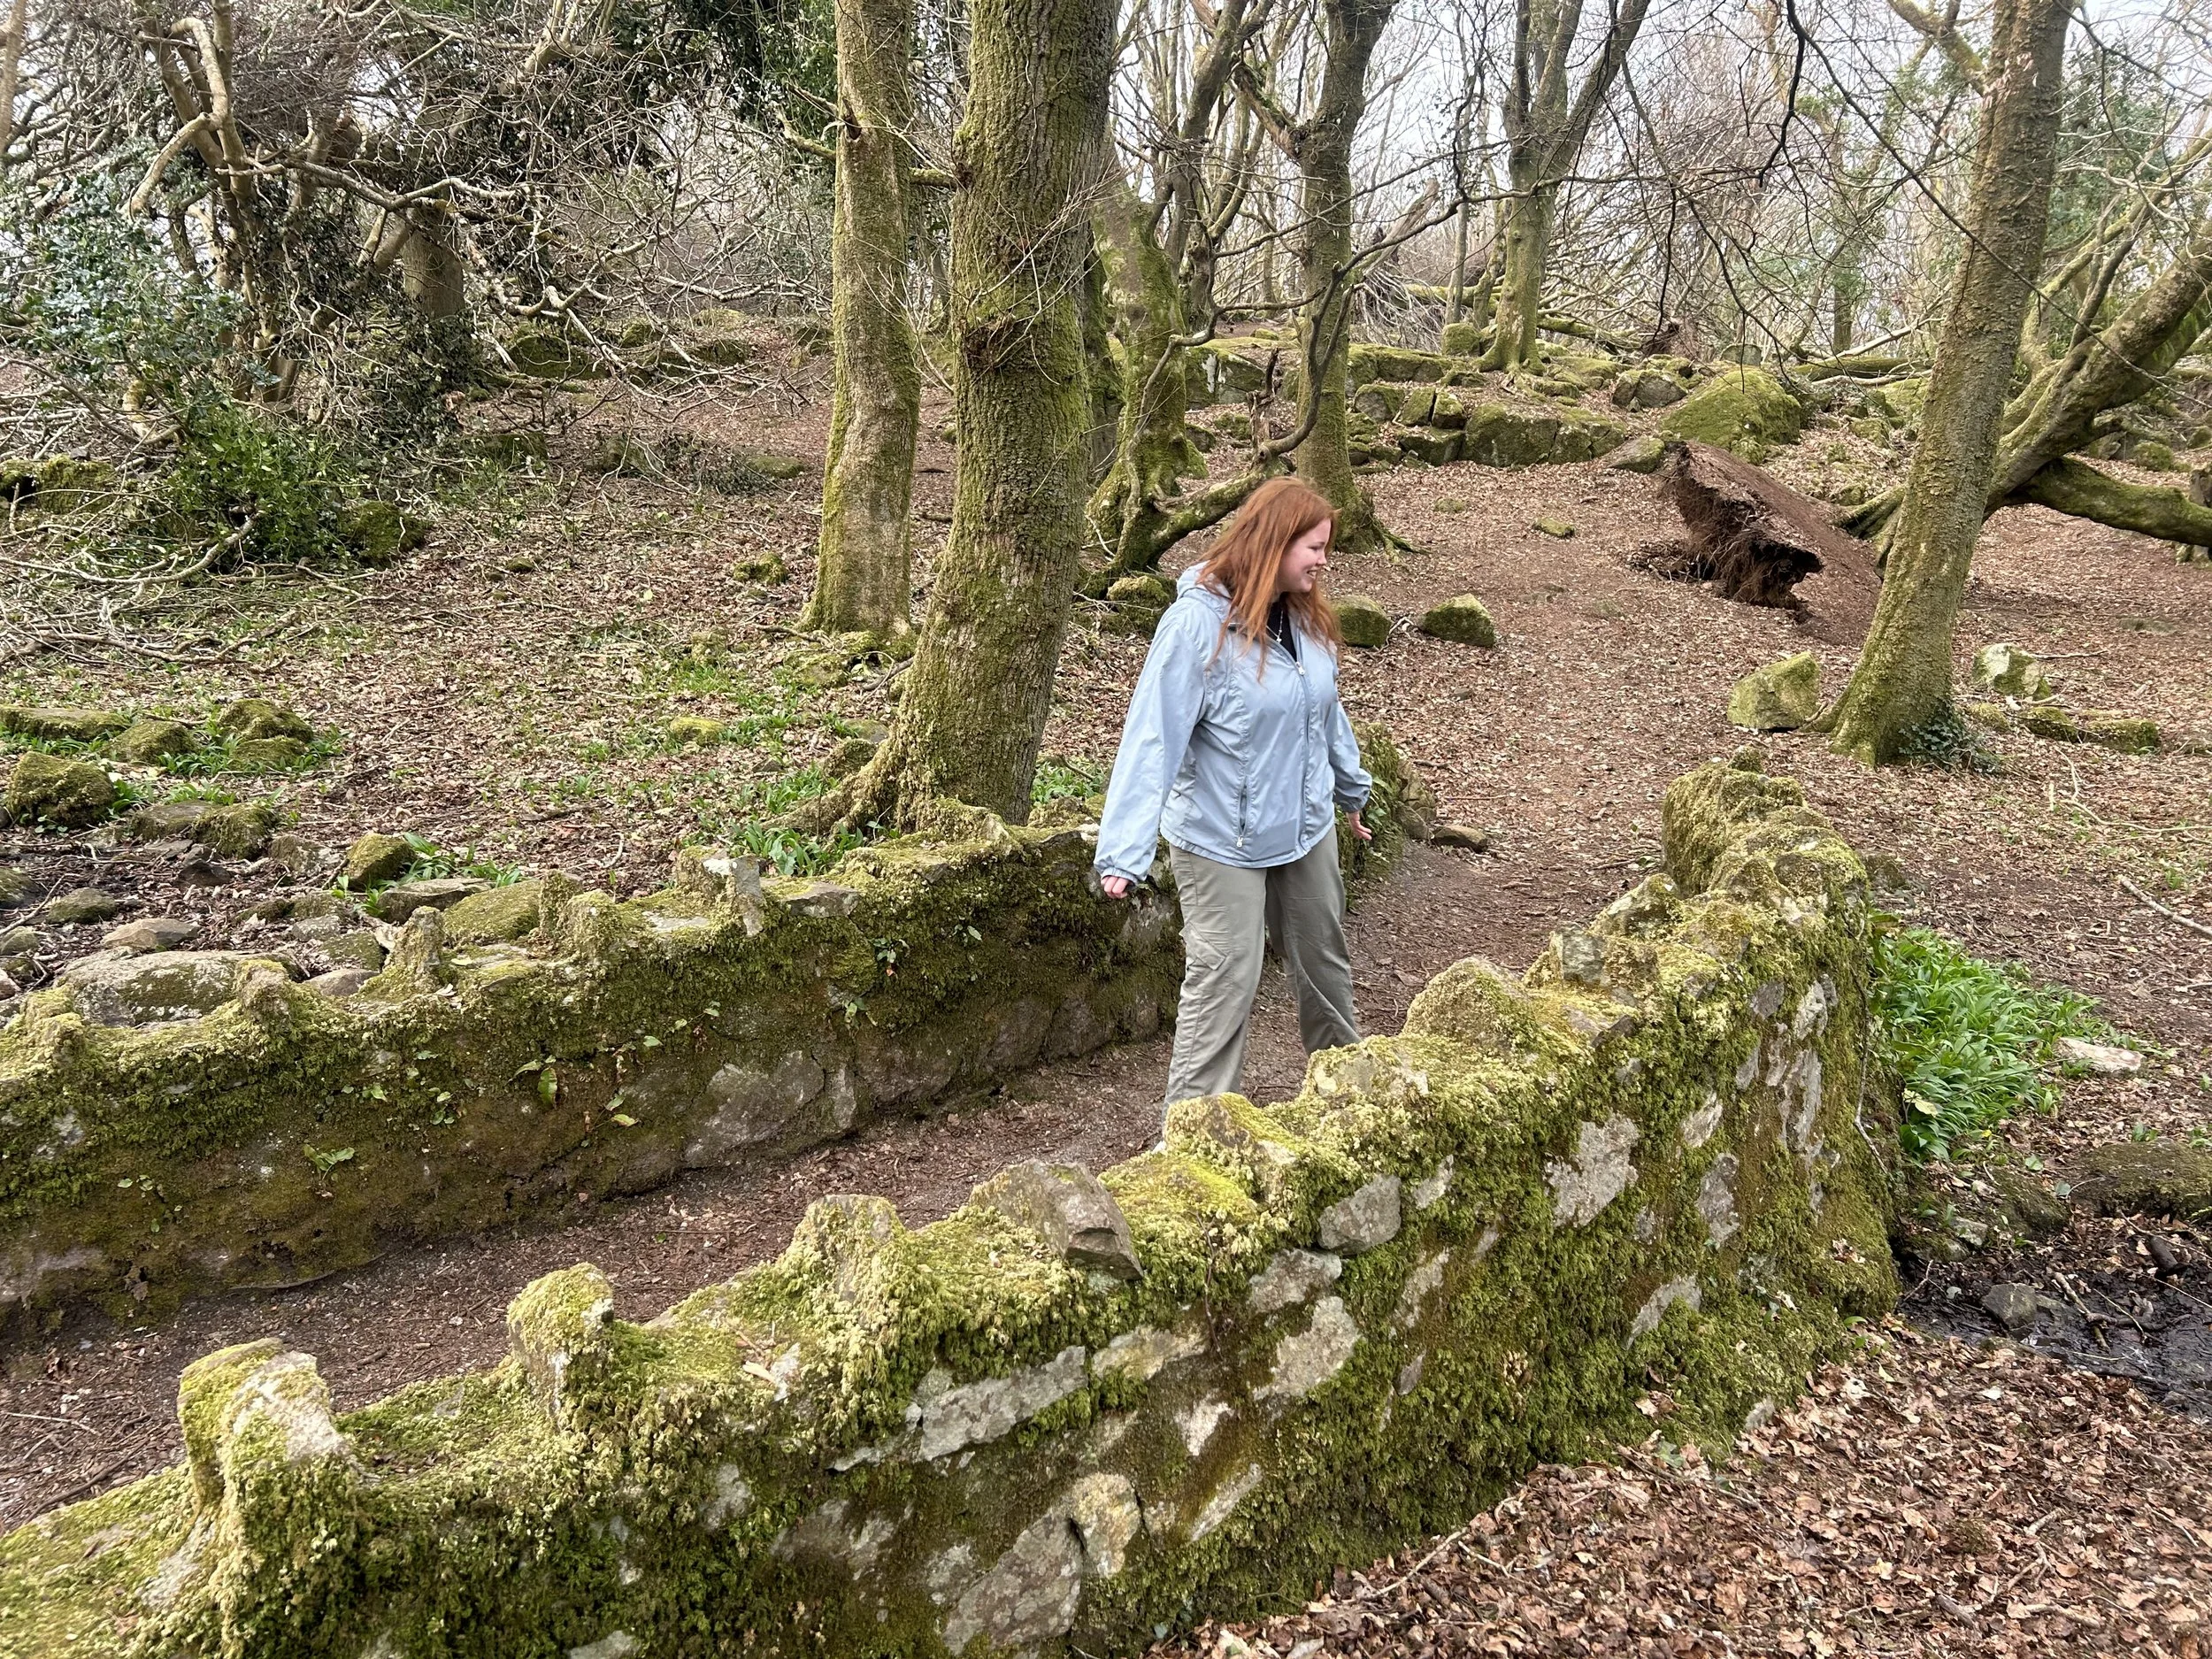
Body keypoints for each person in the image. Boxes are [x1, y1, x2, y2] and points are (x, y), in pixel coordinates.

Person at [1093, 476, 1372, 1111]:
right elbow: (1153, 736)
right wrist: (1124, 852)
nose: (1324, 561)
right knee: (1226, 979)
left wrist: (1353, 788)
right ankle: (1192, 1140)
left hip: (1304, 826)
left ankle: (1353, 1106)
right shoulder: (1197, 624)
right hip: (1222, 839)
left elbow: (1322, 710)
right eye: (1315, 547)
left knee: (1325, 967)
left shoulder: (1305, 614)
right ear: (1275, 542)